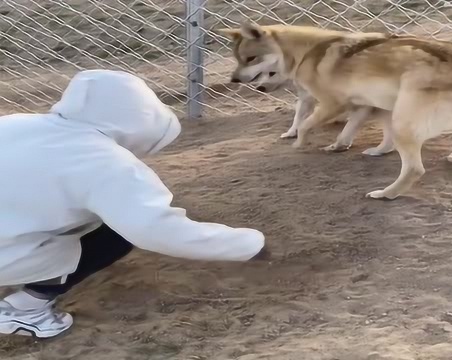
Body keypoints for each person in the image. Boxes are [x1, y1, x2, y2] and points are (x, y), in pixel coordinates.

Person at [0, 69, 268, 339]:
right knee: (116, 235)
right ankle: (26, 308)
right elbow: (158, 231)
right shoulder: (106, 162)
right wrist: (249, 245)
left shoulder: (15, 124)